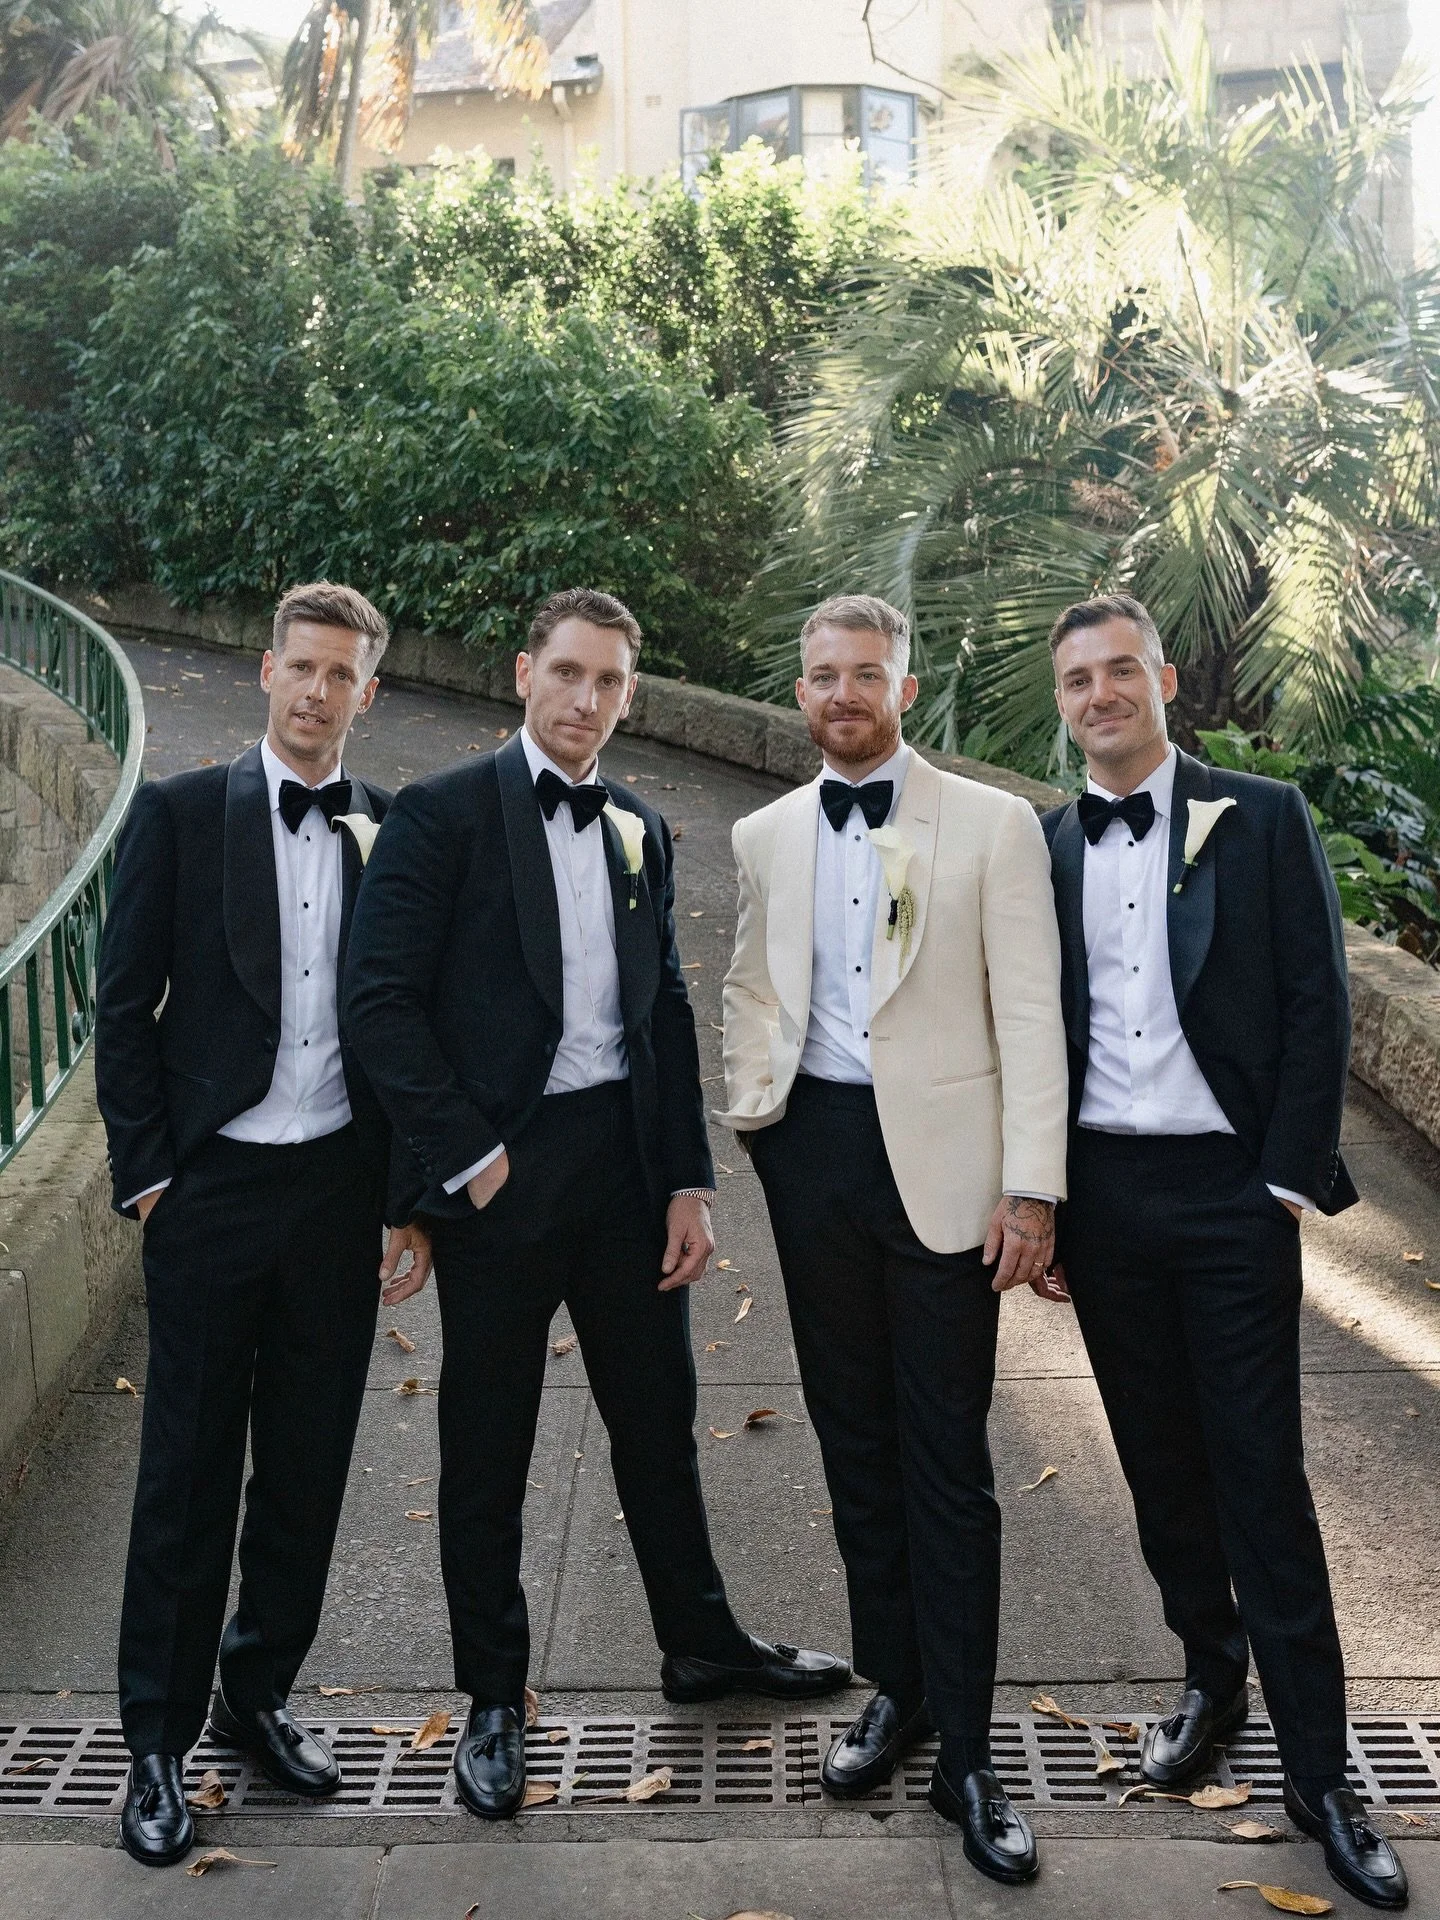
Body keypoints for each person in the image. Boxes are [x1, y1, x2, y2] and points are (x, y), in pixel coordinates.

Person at [342, 585, 847, 1821]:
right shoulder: (441, 814)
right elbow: (380, 1001)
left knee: (658, 1423)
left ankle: (702, 1643)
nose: (587, 701)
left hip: (624, 1175)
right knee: (489, 1442)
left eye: (611, 682)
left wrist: (687, 1177)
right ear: (525, 673)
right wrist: (465, 1159)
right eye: (568, 673)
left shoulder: (640, 825)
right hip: (501, 1178)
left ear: (630, 693)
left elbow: (662, 1012)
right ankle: (496, 1702)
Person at [1040, 593, 1406, 1911]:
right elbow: (1032, 1036)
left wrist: (1282, 1188)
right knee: (1161, 1466)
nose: (1100, 694)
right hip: (1106, 1203)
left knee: (1262, 1475)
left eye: (1119, 669)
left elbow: (1321, 1006)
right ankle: (1211, 1675)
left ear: (1167, 679)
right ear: (1064, 701)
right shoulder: (1048, 844)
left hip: (1230, 1196)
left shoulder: (1262, 821)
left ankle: (1322, 1772)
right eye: (1077, 679)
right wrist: (1041, 1201)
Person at [719, 594, 1068, 1887]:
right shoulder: (763, 833)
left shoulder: (993, 825)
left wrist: (1033, 1192)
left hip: (950, 1181)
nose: (844, 694)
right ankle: (900, 1692)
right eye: (823, 676)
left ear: (904, 689)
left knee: (946, 1463)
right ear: (802, 691)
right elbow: (754, 983)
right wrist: (757, 1115)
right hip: (813, 1161)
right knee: (855, 1444)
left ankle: (971, 1754)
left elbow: (1032, 1015)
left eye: (867, 675)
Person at [95, 582, 431, 1868]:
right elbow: (123, 1010)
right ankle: (154, 1743)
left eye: (340, 674)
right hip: (212, 1190)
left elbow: (401, 1025)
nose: (315, 691)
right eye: (299, 667)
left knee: (305, 1466)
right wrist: (151, 1178)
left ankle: (259, 1691)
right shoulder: (181, 815)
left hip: (336, 1196)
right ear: (265, 672)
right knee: (185, 1473)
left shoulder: (390, 830)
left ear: (368, 692)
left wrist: (405, 1198)